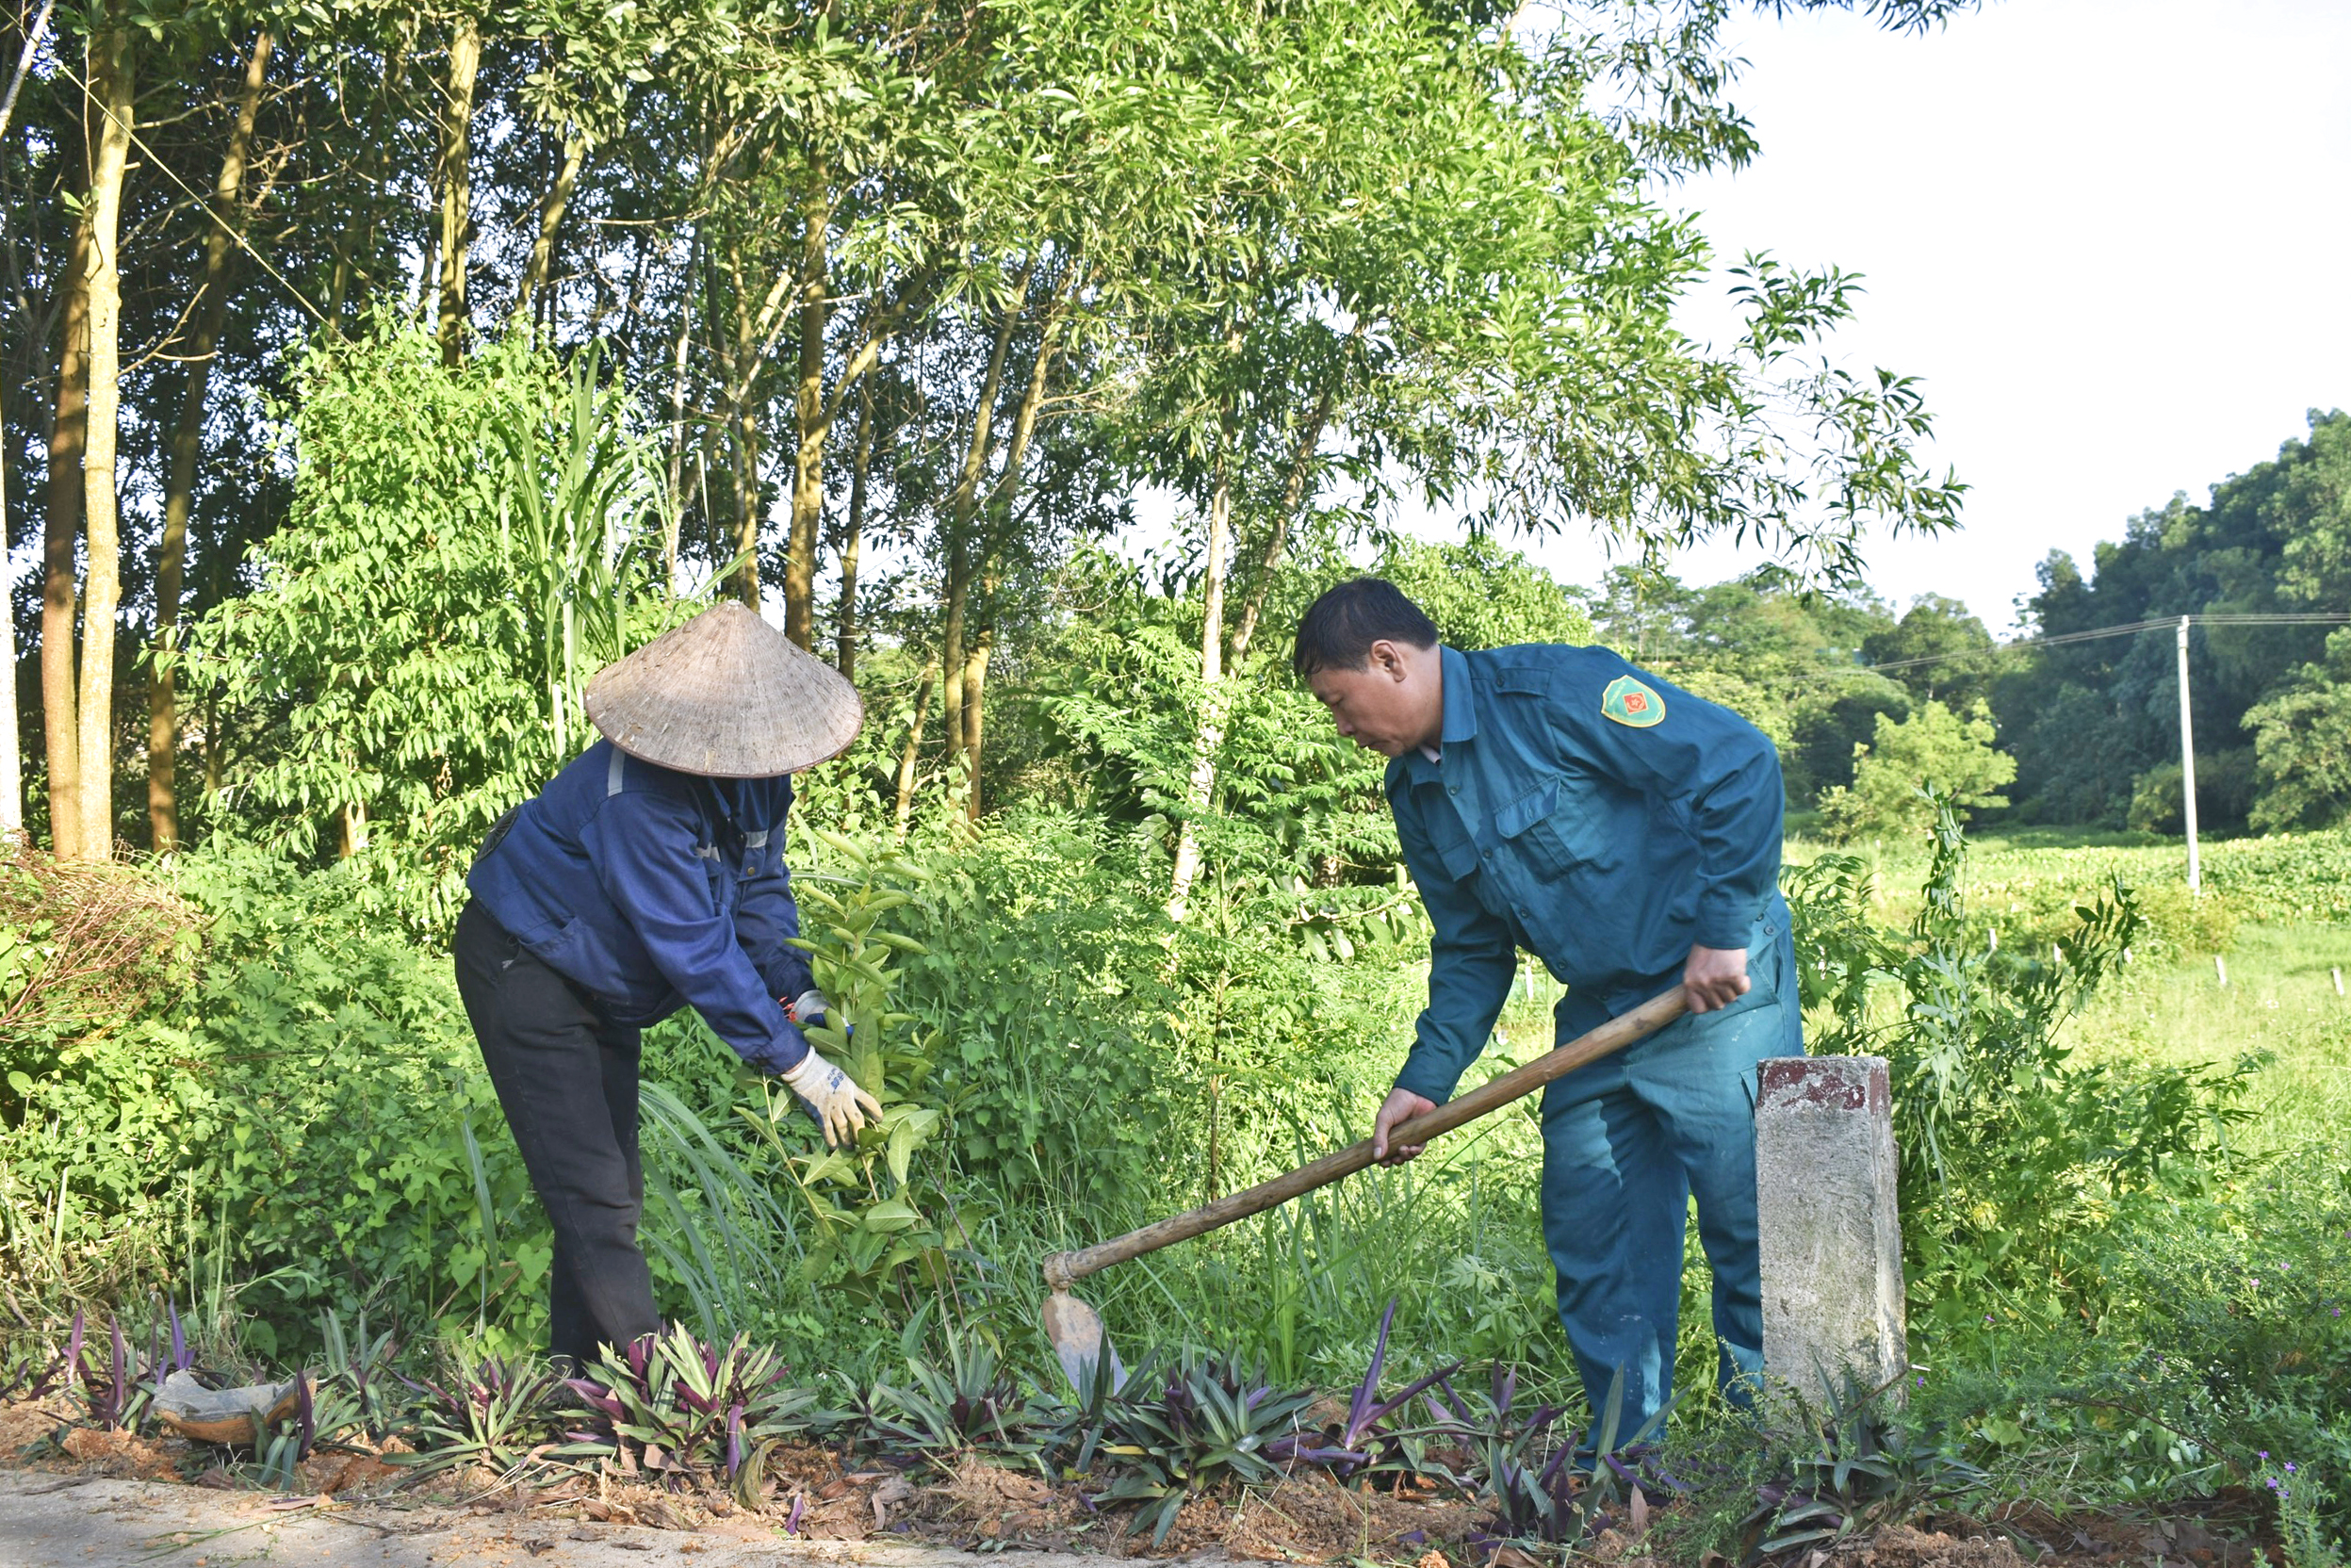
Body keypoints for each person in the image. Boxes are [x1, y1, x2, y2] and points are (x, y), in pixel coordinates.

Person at [1294, 578, 1800, 1436]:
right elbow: (1470, 948)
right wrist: (1426, 1078)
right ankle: (1628, 1466)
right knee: (1594, 1238)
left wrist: (1721, 930)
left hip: (1713, 995)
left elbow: (1737, 763)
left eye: (1340, 704)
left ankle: (1781, 1466)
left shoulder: (1560, 693)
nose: (1343, 729)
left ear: (1388, 660)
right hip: (1600, 1020)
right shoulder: (1413, 793)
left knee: (1749, 1226)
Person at [454, 601, 882, 1367]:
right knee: (594, 1195)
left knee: (611, 1191)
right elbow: (696, 947)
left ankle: (575, 1387)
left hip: (603, 977)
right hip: (529, 967)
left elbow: (759, 893)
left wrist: (801, 995)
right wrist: (800, 1069)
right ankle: (659, 1397)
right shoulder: (640, 799)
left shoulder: (759, 776)